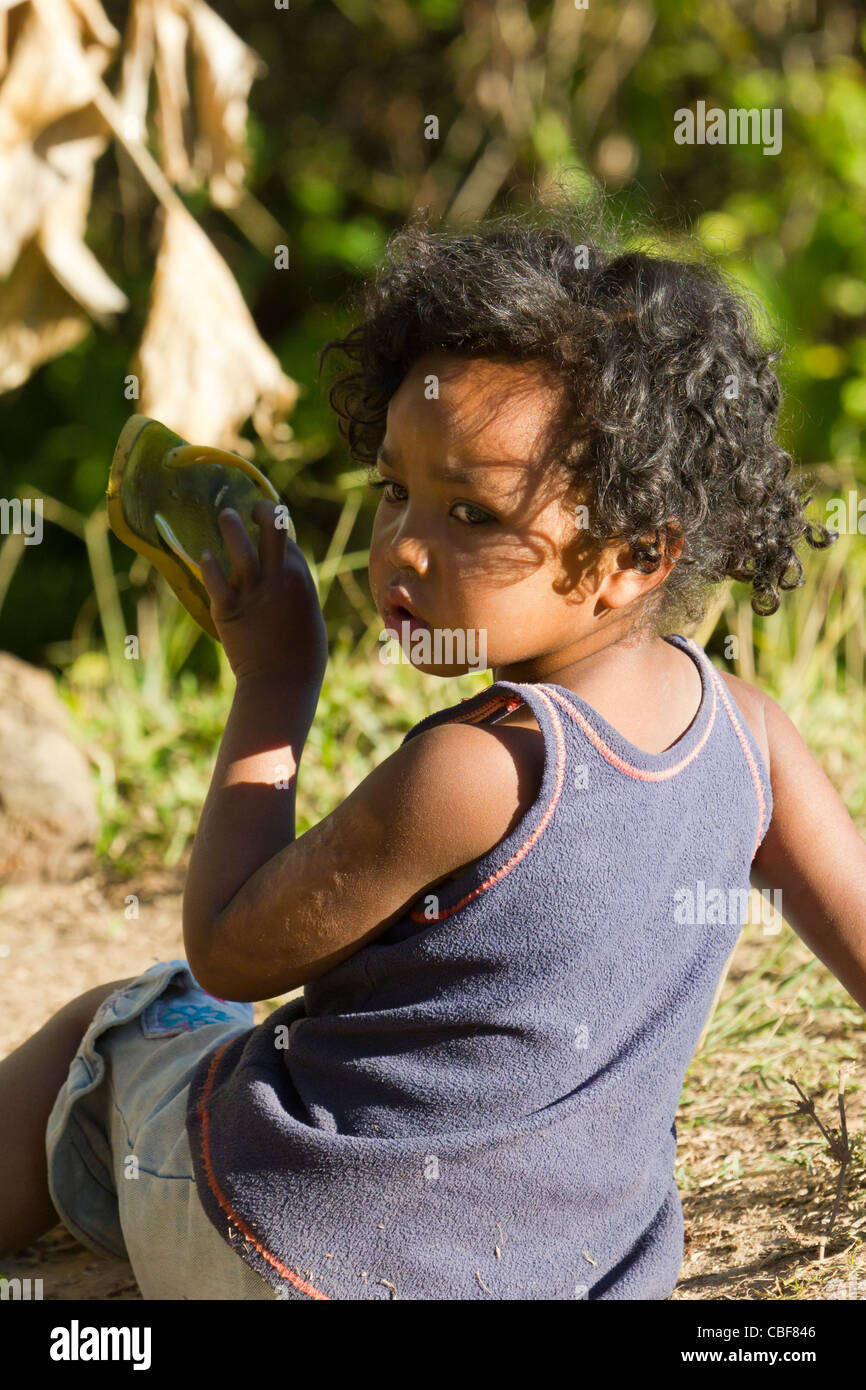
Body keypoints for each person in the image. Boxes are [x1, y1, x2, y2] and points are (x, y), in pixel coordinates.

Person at [2, 205, 864, 1300]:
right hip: (576, 1279)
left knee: (135, 1016)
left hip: (293, 1259)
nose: (405, 545)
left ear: (635, 554)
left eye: (469, 511)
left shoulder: (479, 767)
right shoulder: (749, 735)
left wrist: (274, 679)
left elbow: (228, 948)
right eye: (395, 490)